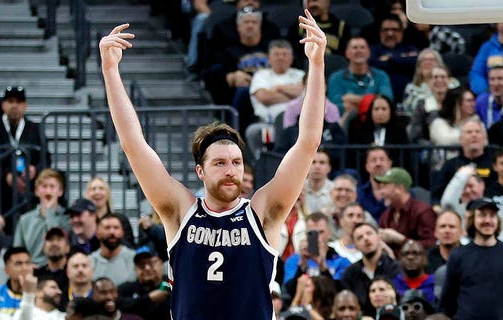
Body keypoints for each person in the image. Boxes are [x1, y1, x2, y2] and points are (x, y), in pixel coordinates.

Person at [99, 9, 327, 318]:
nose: (231, 170)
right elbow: (133, 144)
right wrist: (110, 70)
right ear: (200, 171)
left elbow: (308, 141)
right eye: (219, 163)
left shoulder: (263, 210)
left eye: (236, 162)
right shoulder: (180, 210)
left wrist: (316, 63)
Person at [441, 198, 503, 320]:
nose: (487, 220)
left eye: (492, 216)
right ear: (473, 219)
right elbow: (447, 300)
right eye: (482, 215)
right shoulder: (458, 255)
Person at [0, 86, 50, 208]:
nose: (14, 106)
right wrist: (6, 175)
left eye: (19, 102)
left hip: (29, 184)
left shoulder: (35, 129)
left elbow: (46, 158)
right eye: (10, 102)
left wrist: (35, 169)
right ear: (3, 105)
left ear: (25, 106)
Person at [245, 40, 305, 157]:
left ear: (291, 58)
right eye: (276, 54)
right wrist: (292, 94)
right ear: (269, 58)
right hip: (268, 123)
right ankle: (260, 164)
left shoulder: (300, 75)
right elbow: (264, 97)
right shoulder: (261, 75)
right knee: (252, 131)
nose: (280, 58)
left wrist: (277, 88)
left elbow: (303, 93)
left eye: (284, 54)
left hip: (298, 124)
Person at [12, 168, 69, 267]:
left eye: (52, 187)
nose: (48, 191)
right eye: (44, 186)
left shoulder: (66, 218)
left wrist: (50, 212)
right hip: (32, 269)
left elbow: (55, 239)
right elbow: (18, 250)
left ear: (60, 191)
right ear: (36, 191)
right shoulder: (25, 220)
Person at [430, 118, 494, 205]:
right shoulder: (449, 165)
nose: (474, 135)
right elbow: (436, 196)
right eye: (469, 132)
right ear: (460, 139)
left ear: (485, 138)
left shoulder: (494, 164)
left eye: (477, 132)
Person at [341, 222, 400, 316]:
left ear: (379, 237)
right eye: (360, 237)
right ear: (355, 246)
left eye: (369, 233)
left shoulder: (396, 268)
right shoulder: (349, 274)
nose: (366, 238)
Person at [327, 36, 393, 116]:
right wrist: (372, 102)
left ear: (369, 53)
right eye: (355, 48)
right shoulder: (336, 78)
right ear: (347, 53)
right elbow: (334, 105)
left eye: (362, 47)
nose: (359, 51)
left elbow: (386, 100)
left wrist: (351, 98)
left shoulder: (381, 76)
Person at [376, 167, 437, 253]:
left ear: (400, 188)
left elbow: (432, 244)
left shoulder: (422, 211)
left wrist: (402, 240)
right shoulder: (385, 216)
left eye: (385, 186)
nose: (382, 192)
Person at [283, 212, 352, 285]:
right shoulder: (294, 260)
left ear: (329, 233)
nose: (317, 238)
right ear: (305, 234)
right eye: (312, 233)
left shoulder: (342, 262)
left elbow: (339, 291)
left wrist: (323, 267)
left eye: (321, 232)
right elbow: (289, 292)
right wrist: (302, 265)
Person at [368, 14, 419, 103]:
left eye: (395, 30)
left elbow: (416, 63)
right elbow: (373, 66)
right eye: (386, 30)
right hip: (378, 101)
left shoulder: (411, 48)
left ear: (401, 32)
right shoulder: (372, 50)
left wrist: (390, 58)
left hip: (409, 99)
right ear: (380, 32)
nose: (390, 33)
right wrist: (402, 60)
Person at [286, 0, 351, 65]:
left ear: (327, 2)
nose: (311, 5)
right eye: (308, 2)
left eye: (315, 0)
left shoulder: (341, 27)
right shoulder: (299, 25)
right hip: (307, 67)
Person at [117, 248, 171, 320]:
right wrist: (149, 298)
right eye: (141, 265)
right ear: (135, 269)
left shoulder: (172, 282)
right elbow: (119, 304)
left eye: (151, 263)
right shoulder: (127, 288)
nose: (147, 268)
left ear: (161, 264)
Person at [90, 214, 136, 287]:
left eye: (116, 228)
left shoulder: (134, 259)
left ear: (122, 232)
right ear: (97, 233)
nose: (112, 232)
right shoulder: (89, 262)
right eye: (107, 228)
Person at [0, 247, 33, 315]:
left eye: (28, 263)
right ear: (7, 270)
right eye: (18, 264)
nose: (24, 268)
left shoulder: (40, 294)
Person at [357, 146, 392, 221]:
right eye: (373, 160)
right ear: (367, 166)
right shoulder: (358, 194)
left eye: (382, 159)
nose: (378, 163)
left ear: (389, 164)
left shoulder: (401, 193)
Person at [34, 227, 70, 293]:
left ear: (68, 247)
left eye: (59, 240)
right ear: (44, 247)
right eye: (51, 240)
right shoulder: (37, 275)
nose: (54, 243)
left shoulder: (73, 273)